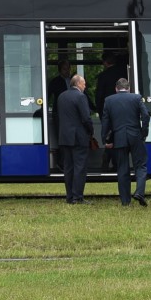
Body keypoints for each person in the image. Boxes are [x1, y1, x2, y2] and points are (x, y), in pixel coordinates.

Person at [101, 77, 151, 207]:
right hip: (135, 136)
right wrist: (143, 132)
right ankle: (139, 192)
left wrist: (105, 139)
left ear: (116, 89)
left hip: (119, 138)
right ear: (128, 88)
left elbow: (106, 122)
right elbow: (145, 115)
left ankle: (125, 201)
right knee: (140, 166)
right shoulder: (136, 98)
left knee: (122, 169)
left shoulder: (109, 100)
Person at [55, 73, 95, 204]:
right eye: (83, 84)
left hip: (64, 137)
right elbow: (86, 118)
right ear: (78, 84)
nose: (85, 86)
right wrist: (91, 131)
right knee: (80, 167)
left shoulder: (62, 96)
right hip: (79, 137)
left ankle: (70, 196)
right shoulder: (80, 96)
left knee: (68, 168)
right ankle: (78, 197)